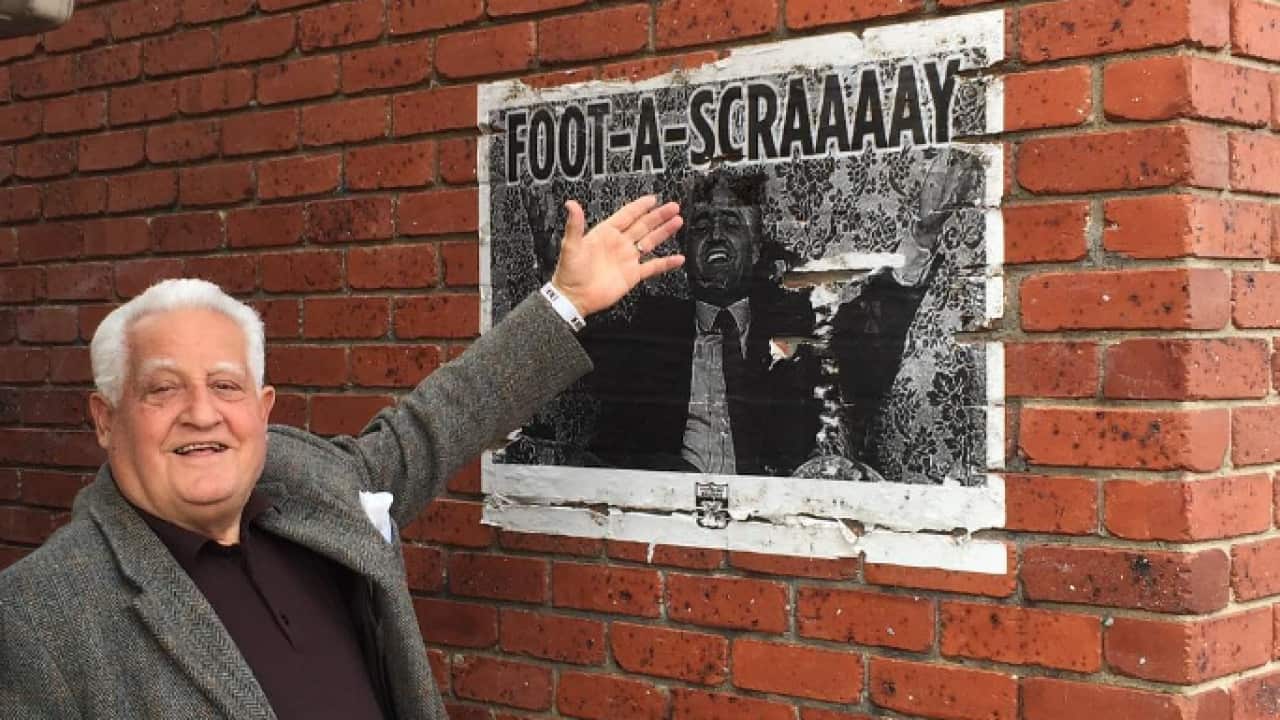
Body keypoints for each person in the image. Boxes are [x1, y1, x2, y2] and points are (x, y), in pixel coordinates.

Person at [0, 196, 684, 719]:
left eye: (226, 386)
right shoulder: (38, 618)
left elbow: (436, 424)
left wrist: (567, 302)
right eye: (163, 389)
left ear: (263, 409)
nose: (202, 414)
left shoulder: (309, 484)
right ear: (105, 419)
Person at [587, 173, 820, 476]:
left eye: (732, 224)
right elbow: (610, 449)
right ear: (684, 250)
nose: (716, 235)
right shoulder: (650, 333)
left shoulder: (796, 327)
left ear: (755, 249)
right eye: (701, 227)